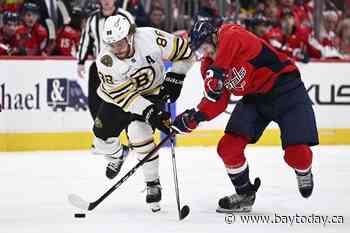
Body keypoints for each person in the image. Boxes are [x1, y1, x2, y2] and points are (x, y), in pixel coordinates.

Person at [172, 18, 319, 213]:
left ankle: (303, 171)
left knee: (296, 155)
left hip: (286, 89)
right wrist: (194, 117)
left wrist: (217, 73)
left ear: (215, 37)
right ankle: (244, 195)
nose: (205, 53)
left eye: (205, 45)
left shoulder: (231, 34)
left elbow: (229, 45)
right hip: (255, 99)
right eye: (200, 49)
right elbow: (218, 101)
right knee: (227, 147)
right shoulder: (208, 66)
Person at [93, 14, 193, 212]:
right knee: (100, 140)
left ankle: (152, 182)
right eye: (111, 44)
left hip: (151, 92)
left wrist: (176, 77)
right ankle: (117, 155)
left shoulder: (151, 37)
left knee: (140, 134)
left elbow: (187, 53)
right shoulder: (105, 61)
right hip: (119, 98)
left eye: (120, 43)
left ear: (130, 36)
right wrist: (150, 112)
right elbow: (126, 99)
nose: (116, 49)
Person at [77, 0, 134, 120]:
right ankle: (102, 134)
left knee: (126, 101)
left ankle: (132, 134)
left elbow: (135, 38)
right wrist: (81, 62)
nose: (106, 1)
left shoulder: (125, 16)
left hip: (123, 66)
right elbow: (86, 38)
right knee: (95, 102)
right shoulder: (93, 18)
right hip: (99, 67)